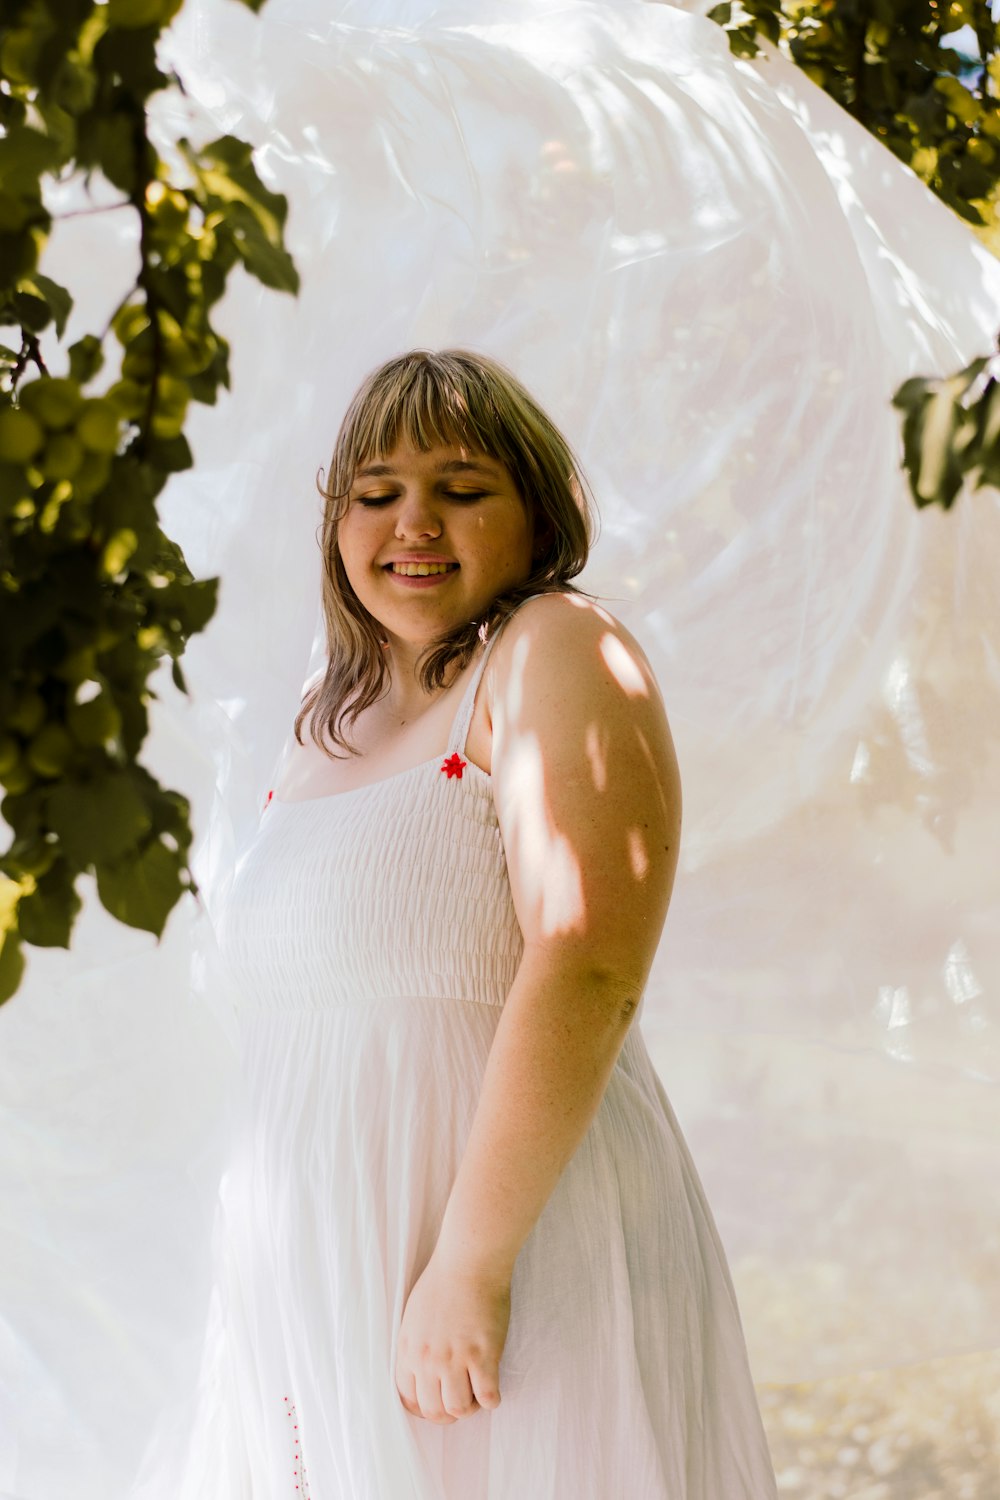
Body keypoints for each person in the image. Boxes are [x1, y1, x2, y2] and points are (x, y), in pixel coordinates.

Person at [204, 347, 779, 1497]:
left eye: (461, 488)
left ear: (537, 515)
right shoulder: (328, 715)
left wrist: (469, 1267)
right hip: (326, 1269)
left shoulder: (554, 649)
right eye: (375, 493)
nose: (412, 521)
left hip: (504, 1255)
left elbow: (588, 962)